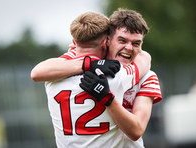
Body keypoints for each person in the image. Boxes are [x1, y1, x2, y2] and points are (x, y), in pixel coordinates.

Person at [31, 8, 162, 147]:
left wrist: (90, 64)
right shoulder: (123, 75)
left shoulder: (61, 68)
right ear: (107, 40)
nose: (129, 48)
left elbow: (37, 72)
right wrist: (92, 64)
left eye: (136, 43)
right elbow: (145, 58)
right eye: (122, 40)